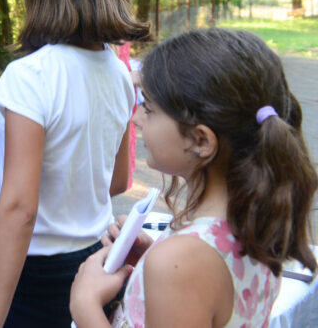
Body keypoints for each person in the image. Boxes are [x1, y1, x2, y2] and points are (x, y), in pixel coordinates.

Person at [70, 28, 317, 327]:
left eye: (149, 108)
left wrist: (85, 306)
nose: (136, 118)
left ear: (201, 140)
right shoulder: (251, 219)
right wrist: (150, 262)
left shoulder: (182, 260)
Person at [0, 0, 151, 328]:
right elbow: (116, 181)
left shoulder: (30, 76)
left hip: (37, 276)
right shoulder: (119, 73)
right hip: (97, 263)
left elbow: (21, 209)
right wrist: (6, 214)